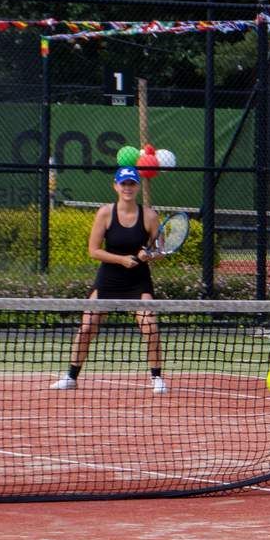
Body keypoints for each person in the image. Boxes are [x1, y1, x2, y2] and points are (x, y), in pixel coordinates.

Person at [50, 166, 167, 394]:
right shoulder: (105, 213)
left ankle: (157, 378)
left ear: (137, 186)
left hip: (138, 280)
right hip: (109, 279)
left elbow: (161, 249)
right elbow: (93, 251)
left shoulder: (150, 216)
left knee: (150, 327)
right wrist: (122, 260)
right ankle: (71, 377)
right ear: (115, 186)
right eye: (123, 184)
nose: (128, 188)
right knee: (87, 327)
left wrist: (150, 254)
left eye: (132, 183)